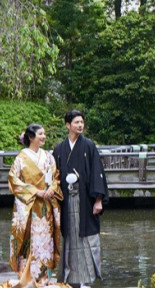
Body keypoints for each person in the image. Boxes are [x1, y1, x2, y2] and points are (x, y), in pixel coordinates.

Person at [0, 124, 70, 288]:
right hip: (29, 206)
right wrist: (35, 192)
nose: (43, 137)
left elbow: (56, 177)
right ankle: (27, 278)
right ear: (31, 137)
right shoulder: (21, 158)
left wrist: (51, 189)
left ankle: (43, 279)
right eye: (40, 134)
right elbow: (13, 181)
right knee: (29, 241)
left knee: (45, 242)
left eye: (44, 134)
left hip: (46, 207)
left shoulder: (48, 156)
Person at [52, 110, 109, 288]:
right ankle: (70, 279)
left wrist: (98, 199)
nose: (80, 125)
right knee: (69, 237)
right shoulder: (59, 149)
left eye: (82, 122)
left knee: (86, 238)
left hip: (85, 200)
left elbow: (97, 173)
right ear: (68, 125)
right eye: (76, 122)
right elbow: (53, 176)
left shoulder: (89, 146)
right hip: (66, 200)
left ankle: (85, 279)